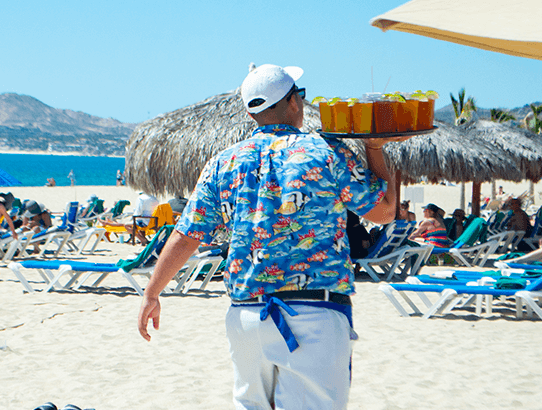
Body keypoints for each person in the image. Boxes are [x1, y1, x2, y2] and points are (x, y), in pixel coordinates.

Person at [137, 64, 398, 409]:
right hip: (314, 314)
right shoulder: (326, 152)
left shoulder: (223, 163)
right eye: (300, 96)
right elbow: (383, 211)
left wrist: (152, 292)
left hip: (246, 317)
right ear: (293, 102)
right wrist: (377, 150)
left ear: (251, 112)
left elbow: (187, 236)